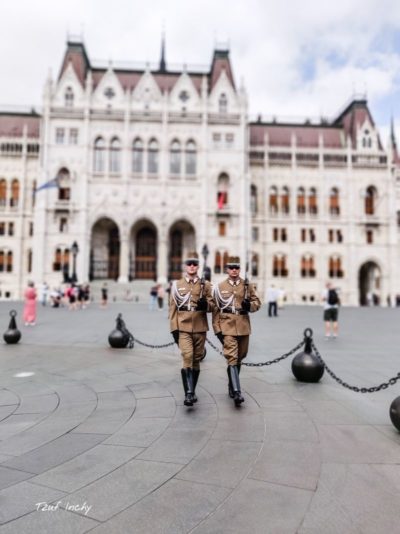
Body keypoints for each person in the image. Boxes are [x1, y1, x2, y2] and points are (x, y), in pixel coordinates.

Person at [212, 256, 261, 406]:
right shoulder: (219, 287)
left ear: (239, 269)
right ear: (227, 269)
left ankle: (231, 385)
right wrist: (217, 328)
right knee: (232, 358)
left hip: (243, 326)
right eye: (231, 267)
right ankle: (237, 391)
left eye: (236, 268)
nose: (234, 270)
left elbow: (257, 303)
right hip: (227, 326)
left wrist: (249, 306)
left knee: (240, 357)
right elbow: (215, 308)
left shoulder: (247, 285)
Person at [169, 252, 213, 407]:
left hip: (200, 327)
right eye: (189, 264)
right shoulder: (176, 285)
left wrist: (205, 305)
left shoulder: (206, 285)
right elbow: (172, 309)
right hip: (183, 327)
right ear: (185, 266)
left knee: (196, 359)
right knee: (187, 356)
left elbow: (214, 305)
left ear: (198, 266)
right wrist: (174, 329)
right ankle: (188, 393)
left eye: (195, 264)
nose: (192, 266)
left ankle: (192, 390)